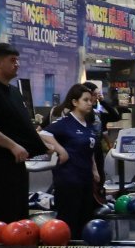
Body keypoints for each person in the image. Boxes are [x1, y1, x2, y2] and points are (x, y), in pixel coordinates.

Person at [0, 43, 52, 223]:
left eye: (17, 60)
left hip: (15, 163)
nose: (17, 64)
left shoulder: (14, 92)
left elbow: (21, 126)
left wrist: (43, 146)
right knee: (5, 215)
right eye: (12, 60)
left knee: (20, 213)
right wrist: (12, 145)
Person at [38, 84, 99, 236]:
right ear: (75, 102)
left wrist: (95, 170)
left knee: (84, 217)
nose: (90, 103)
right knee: (69, 218)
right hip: (68, 179)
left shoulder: (89, 125)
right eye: (85, 100)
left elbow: (90, 150)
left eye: (91, 100)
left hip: (85, 178)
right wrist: (60, 149)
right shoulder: (65, 123)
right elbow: (42, 133)